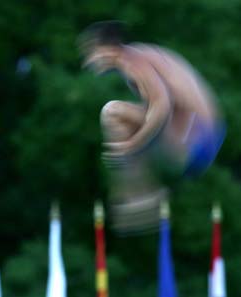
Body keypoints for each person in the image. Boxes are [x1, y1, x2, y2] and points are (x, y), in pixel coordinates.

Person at [79, 21, 225, 234]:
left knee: (113, 113)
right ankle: (142, 195)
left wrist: (133, 145)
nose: (87, 62)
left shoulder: (132, 62)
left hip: (196, 139)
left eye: (90, 53)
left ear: (108, 49)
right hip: (204, 136)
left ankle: (141, 197)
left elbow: (162, 106)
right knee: (131, 122)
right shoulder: (140, 56)